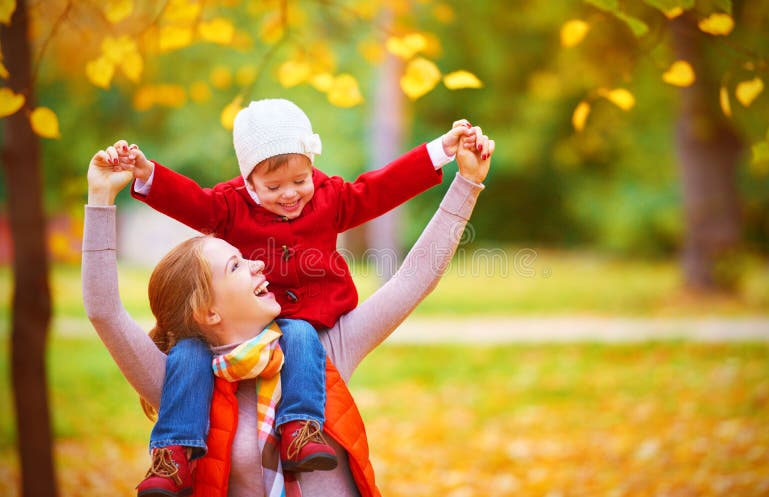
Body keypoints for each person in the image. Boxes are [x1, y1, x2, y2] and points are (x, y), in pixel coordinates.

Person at [83, 127, 493, 497]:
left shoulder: (321, 350)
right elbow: (104, 310)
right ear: (208, 311)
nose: (258, 264)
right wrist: (100, 198)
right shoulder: (179, 385)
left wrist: (468, 182)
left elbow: (412, 279)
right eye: (236, 265)